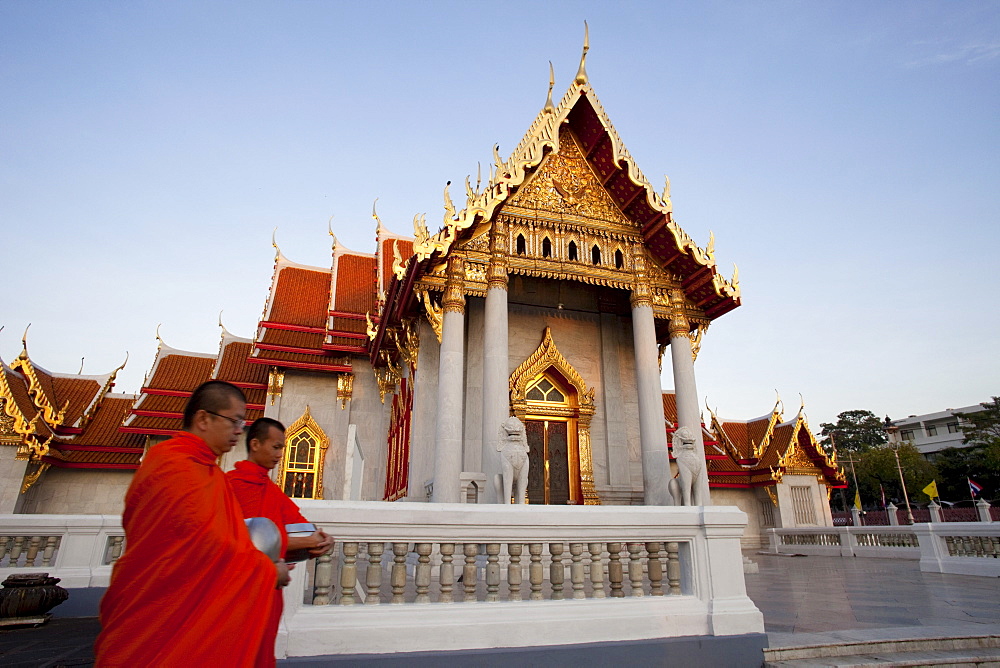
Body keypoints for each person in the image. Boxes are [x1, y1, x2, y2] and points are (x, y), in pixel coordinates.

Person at [95, 381, 290, 667]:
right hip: (159, 607)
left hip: (179, 600)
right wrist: (267, 571)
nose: (239, 430)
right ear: (203, 419)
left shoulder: (206, 474)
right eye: (234, 421)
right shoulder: (176, 468)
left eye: (242, 422)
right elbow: (205, 546)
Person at [227, 417, 334, 668]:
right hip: (237, 593)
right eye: (275, 447)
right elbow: (251, 544)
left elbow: (300, 528)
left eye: (283, 448)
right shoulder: (232, 486)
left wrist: (320, 540)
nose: (280, 454)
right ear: (255, 444)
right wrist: (306, 541)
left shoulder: (271, 491)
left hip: (269, 592)